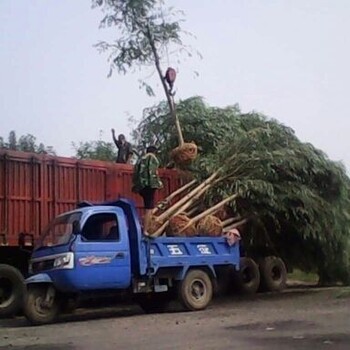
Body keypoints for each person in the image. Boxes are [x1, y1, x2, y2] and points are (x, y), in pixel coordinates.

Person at [132, 146, 163, 234]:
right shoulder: (152, 158)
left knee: (148, 206)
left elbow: (135, 173)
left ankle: (145, 227)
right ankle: (145, 230)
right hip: (149, 185)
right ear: (154, 152)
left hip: (141, 186)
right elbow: (152, 172)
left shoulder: (140, 159)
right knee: (149, 208)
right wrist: (158, 184)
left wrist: (136, 186)